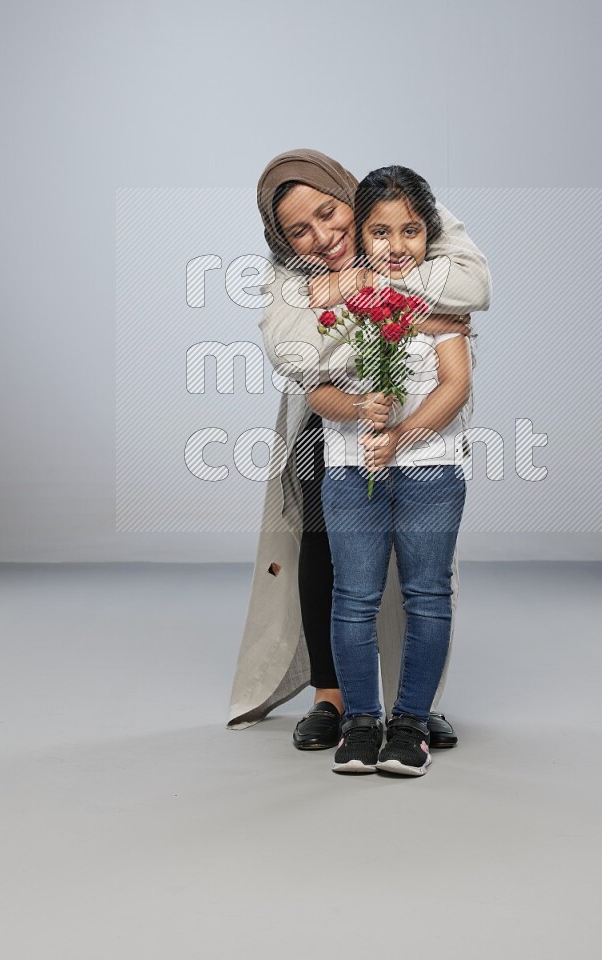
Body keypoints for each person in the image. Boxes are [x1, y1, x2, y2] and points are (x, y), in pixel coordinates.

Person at [226, 148, 491, 750]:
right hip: (331, 423)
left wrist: (360, 287)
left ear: (351, 197)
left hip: (420, 420)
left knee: (420, 569)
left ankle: (412, 706)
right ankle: (332, 695)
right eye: (300, 230)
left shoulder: (395, 212)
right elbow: (295, 357)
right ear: (281, 237)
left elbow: (475, 285)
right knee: (328, 560)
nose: (322, 236)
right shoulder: (285, 272)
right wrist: (415, 314)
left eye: (330, 213)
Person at [308, 165, 474, 776]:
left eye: (410, 231)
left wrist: (401, 435)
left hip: (431, 471)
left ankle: (409, 723)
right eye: (380, 232)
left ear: (429, 234)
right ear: (361, 235)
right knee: (354, 596)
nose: (396, 246)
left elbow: (455, 386)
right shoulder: (333, 296)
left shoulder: (441, 300)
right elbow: (316, 391)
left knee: (427, 594)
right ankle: (360, 722)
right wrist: (359, 409)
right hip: (352, 472)